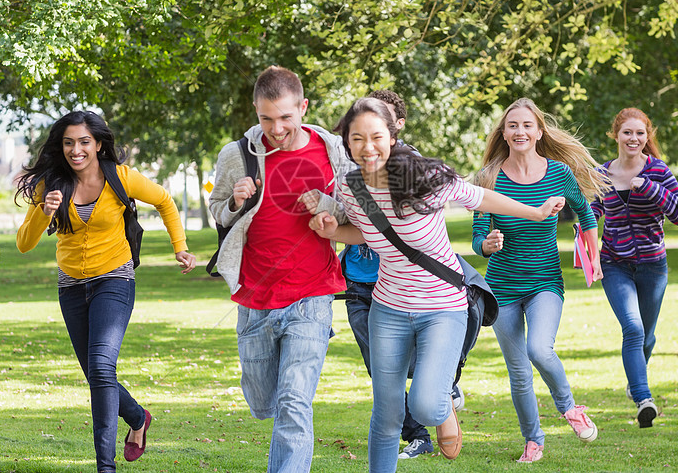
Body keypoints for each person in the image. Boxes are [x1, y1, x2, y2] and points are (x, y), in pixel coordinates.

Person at [306, 97, 565, 472]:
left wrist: (536, 211)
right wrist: (334, 230)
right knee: (387, 411)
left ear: (392, 136)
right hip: (388, 309)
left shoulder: (425, 177)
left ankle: (443, 409)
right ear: (346, 141)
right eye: (357, 139)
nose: (367, 147)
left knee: (425, 405)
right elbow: (366, 234)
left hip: (442, 306)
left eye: (376, 136)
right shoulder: (351, 188)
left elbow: (481, 196)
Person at [16, 111, 196, 473]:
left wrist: (180, 246)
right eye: (68, 142)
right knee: (96, 375)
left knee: (100, 366)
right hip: (70, 287)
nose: (76, 150)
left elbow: (164, 200)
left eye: (84, 141)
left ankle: (105, 467)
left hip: (114, 278)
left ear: (98, 144)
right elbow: (23, 244)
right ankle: (137, 417)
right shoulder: (49, 185)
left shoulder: (121, 178)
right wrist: (43, 211)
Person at [207, 66, 350, 472]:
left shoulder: (333, 150)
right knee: (263, 402)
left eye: (286, 117)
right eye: (266, 118)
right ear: (256, 111)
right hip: (254, 298)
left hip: (312, 295)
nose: (277, 128)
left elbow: (354, 210)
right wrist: (235, 201)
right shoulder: (236, 155)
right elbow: (218, 209)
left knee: (294, 401)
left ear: (303, 107)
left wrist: (324, 204)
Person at [471, 98, 608, 463]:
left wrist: (593, 255)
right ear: (504, 133)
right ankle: (533, 441)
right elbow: (477, 234)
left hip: (545, 281)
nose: (520, 131)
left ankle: (570, 409)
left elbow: (586, 213)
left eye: (527, 125)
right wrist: (486, 244)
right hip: (500, 289)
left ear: (539, 131)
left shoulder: (559, 173)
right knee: (518, 373)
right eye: (513, 126)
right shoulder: (489, 177)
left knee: (539, 350)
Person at [337, 90, 443, 460]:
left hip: (404, 288)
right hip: (357, 281)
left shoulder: (410, 167)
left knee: (417, 364)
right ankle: (417, 433)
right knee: (379, 370)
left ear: (396, 126)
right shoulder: (354, 168)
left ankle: (443, 395)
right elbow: (350, 216)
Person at [591, 108, 678, 428]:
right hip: (614, 263)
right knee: (632, 329)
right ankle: (643, 398)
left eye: (640, 133)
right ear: (615, 135)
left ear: (647, 136)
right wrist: (585, 236)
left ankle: (635, 378)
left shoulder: (658, 171)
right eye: (627, 133)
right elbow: (588, 214)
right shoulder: (601, 175)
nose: (634, 139)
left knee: (647, 337)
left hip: (653, 266)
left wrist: (649, 188)